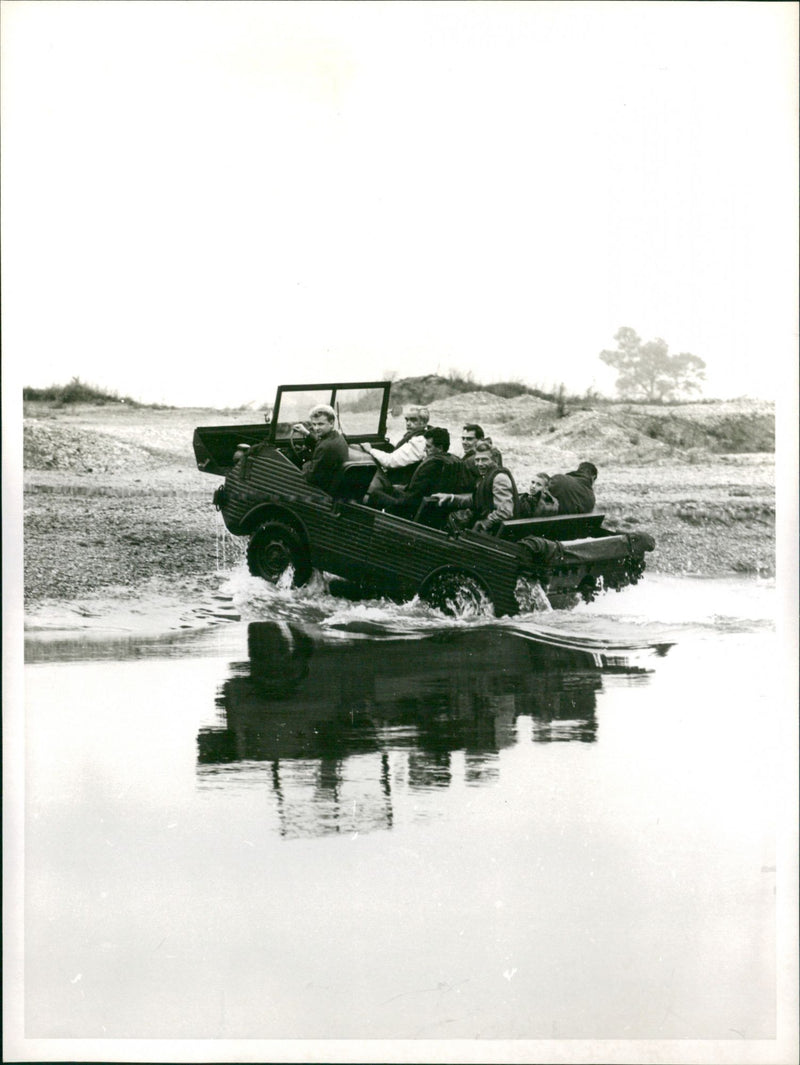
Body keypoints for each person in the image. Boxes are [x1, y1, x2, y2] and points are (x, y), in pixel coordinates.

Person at [367, 427, 461, 519]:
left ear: (440, 448)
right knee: (389, 489)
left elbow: (410, 500)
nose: (425, 450)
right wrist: (399, 489)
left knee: (376, 494)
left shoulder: (431, 465)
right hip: (427, 509)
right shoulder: (452, 461)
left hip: (410, 510)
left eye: (428, 447)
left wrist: (398, 491)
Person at [432, 440, 518, 532]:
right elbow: (475, 499)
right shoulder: (487, 477)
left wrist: (484, 523)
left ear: (495, 460)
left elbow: (505, 511)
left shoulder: (499, 478)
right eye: (477, 460)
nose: (480, 464)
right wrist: (451, 498)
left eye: (484, 459)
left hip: (495, 533)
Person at [360, 405, 430, 498]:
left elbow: (390, 461)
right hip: (405, 481)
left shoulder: (419, 441)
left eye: (413, 420)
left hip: (401, 485)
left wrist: (370, 450)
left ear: (423, 422)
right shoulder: (424, 436)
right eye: (407, 420)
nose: (408, 423)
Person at [292, 404, 349, 493]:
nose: (316, 428)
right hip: (335, 483)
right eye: (314, 424)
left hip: (325, 492)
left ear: (331, 423)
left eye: (320, 424)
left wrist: (304, 465)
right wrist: (307, 433)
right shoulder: (336, 437)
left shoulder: (326, 447)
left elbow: (312, 477)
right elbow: (320, 444)